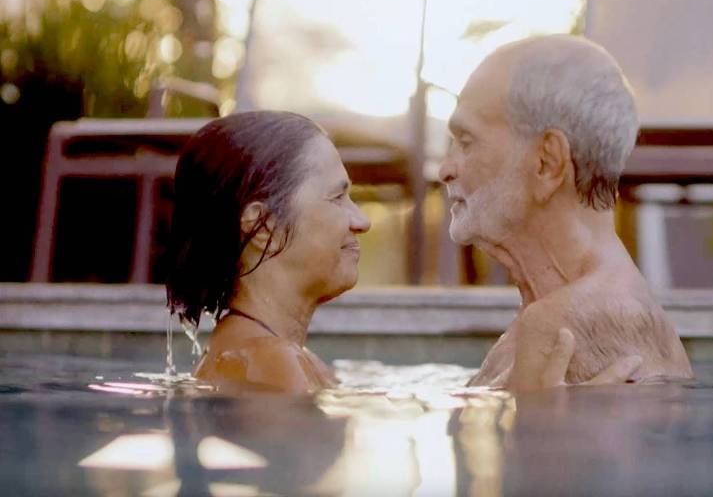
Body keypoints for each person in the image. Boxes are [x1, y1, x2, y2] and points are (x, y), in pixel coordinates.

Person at [167, 110, 640, 393]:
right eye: (337, 197)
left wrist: (505, 393)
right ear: (261, 224)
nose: (362, 220)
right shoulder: (266, 366)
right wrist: (543, 426)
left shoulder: (267, 358)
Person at [439, 35, 693, 392]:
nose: (445, 169)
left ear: (547, 163)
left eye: (466, 142)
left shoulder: (558, 328)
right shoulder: (567, 312)